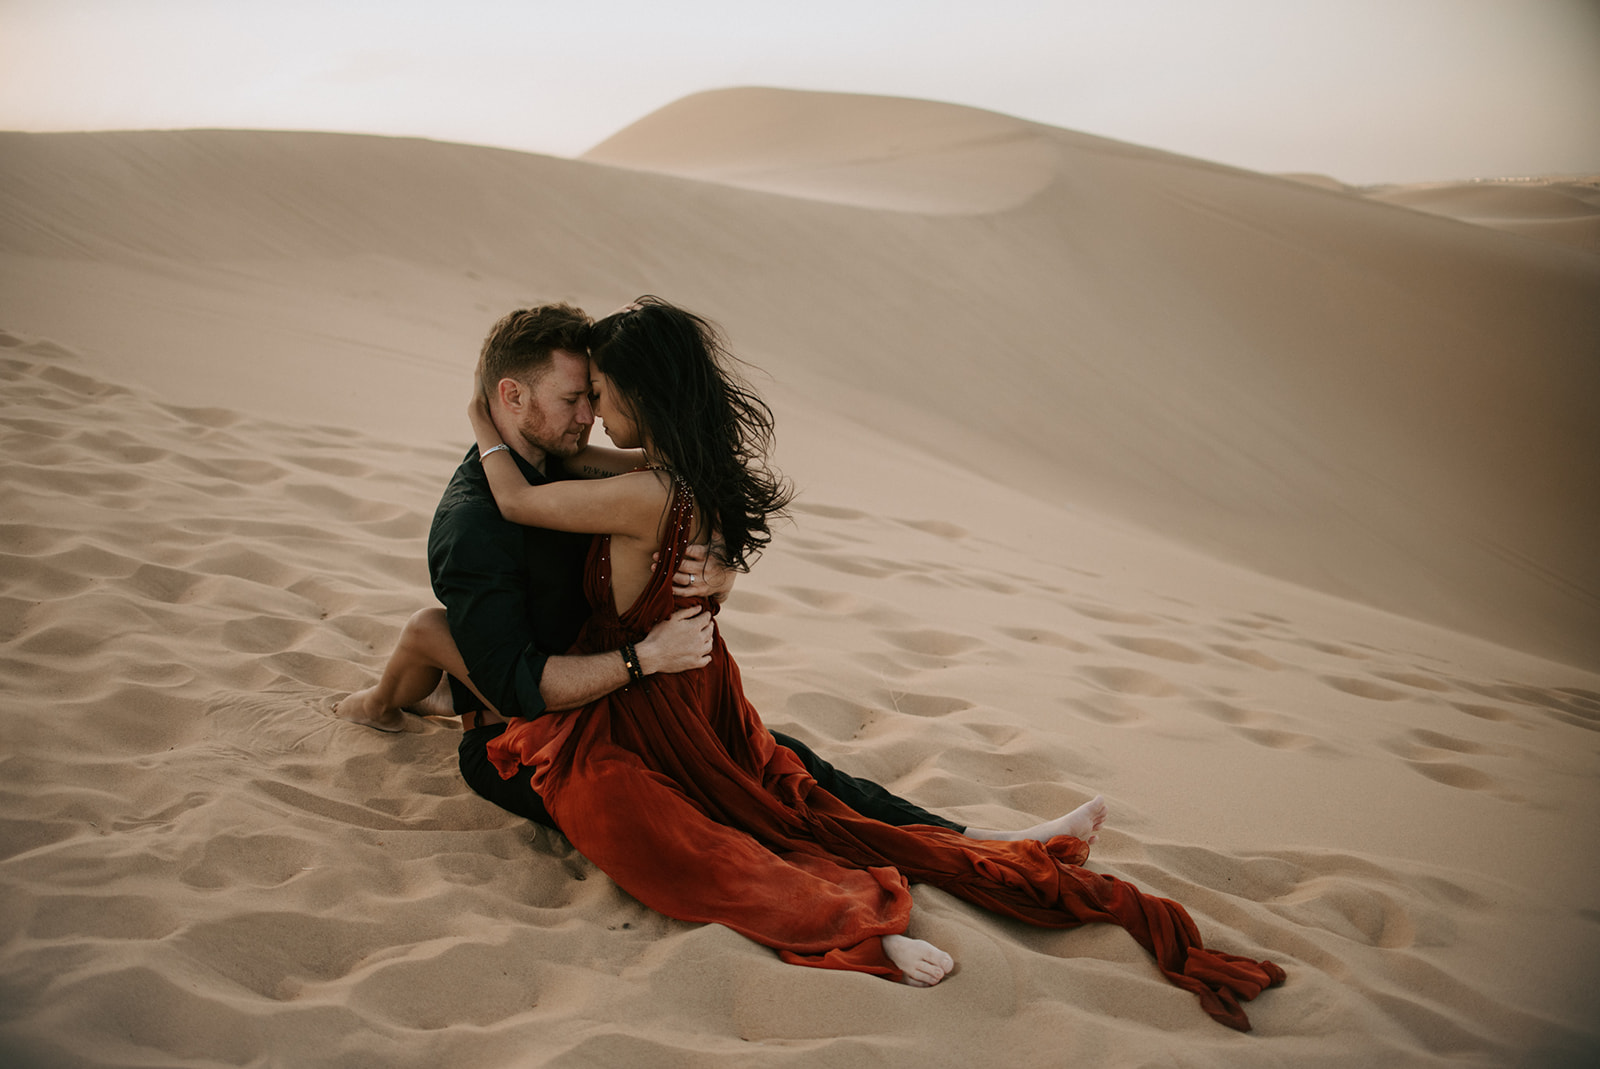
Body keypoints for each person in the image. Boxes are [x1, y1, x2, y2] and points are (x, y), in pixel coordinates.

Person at [454, 297, 1282, 1028]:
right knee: (795, 800)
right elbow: (587, 470)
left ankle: (852, 922)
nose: (593, 412)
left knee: (700, 834)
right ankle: (992, 848)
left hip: (652, 695)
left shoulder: (646, 490)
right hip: (698, 683)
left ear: (640, 394)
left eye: (601, 393)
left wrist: (486, 422)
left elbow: (521, 497)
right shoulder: (680, 475)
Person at [336, 303, 1039, 838]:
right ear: (512, 396)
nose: (591, 415)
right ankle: (382, 705)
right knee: (710, 804)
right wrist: (643, 659)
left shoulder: (574, 464)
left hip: (613, 694)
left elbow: (671, 492)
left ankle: (970, 839)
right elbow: (521, 689)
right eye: (575, 399)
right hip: (528, 737)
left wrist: (720, 567)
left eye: (595, 395)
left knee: (774, 759)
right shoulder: (477, 527)